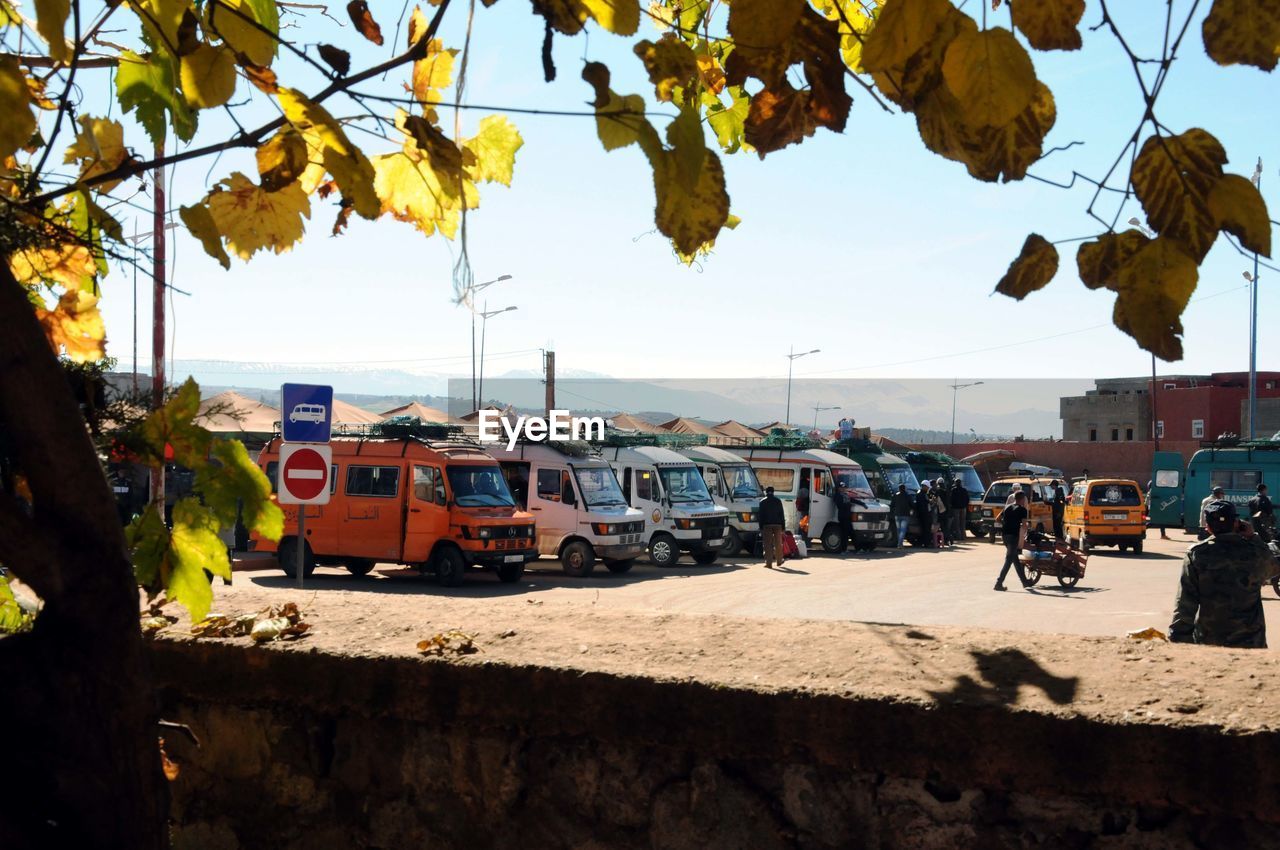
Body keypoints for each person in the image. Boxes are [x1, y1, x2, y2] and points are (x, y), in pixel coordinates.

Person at [1169, 500, 1280, 648]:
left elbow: (1186, 601)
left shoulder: (1197, 554)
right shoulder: (1253, 551)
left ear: (1207, 527)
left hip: (1210, 639)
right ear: (1236, 523)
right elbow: (1274, 568)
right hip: (1251, 641)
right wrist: (1253, 537)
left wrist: (1179, 637)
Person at [995, 490, 1031, 591]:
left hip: (1005, 535)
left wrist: (1006, 524)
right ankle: (999, 583)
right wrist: (1026, 528)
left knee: (1015, 559)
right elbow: (1024, 525)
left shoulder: (1007, 507)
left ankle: (1024, 582)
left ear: (1014, 498)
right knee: (1009, 560)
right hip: (1013, 537)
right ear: (1023, 499)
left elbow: (997, 519)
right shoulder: (1023, 510)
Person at [759, 486, 786, 568]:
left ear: (766, 492)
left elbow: (760, 516)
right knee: (778, 543)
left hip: (767, 525)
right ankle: (779, 561)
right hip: (778, 525)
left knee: (768, 544)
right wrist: (783, 527)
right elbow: (781, 514)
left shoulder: (762, 502)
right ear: (773, 492)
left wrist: (761, 527)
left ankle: (769, 563)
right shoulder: (778, 501)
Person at [914, 481, 933, 548]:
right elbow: (922, 505)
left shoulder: (924, 493)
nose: (928, 489)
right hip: (924, 515)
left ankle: (926, 542)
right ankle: (926, 543)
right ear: (924, 486)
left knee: (927, 529)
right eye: (927, 487)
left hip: (926, 514)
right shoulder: (920, 494)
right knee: (926, 529)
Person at [833, 487, 853, 552]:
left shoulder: (846, 495)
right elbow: (840, 505)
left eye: (844, 488)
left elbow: (852, 500)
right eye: (842, 488)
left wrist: (862, 504)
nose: (843, 489)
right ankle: (843, 550)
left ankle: (845, 549)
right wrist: (848, 505)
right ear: (839, 488)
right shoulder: (838, 495)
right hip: (843, 516)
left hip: (847, 516)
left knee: (846, 533)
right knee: (844, 534)